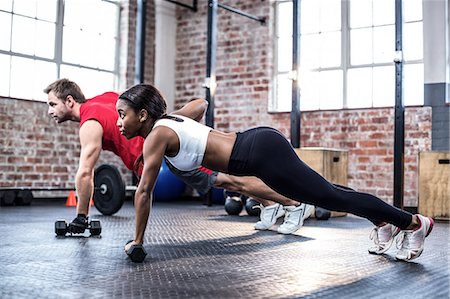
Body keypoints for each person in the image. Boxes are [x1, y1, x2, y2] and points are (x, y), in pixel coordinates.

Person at [118, 83, 434, 262]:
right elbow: (200, 103)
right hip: (256, 147)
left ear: (143, 114)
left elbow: (144, 191)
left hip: (258, 154)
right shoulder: (170, 122)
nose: (119, 122)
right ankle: (382, 219)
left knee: (329, 196)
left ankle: (413, 222)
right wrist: (181, 119)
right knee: (324, 191)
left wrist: (138, 241)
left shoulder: (157, 135)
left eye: (123, 115)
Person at [44, 79, 312, 234]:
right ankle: (271, 205)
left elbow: (85, 171)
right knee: (227, 181)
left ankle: (294, 202)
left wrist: (81, 218)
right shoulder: (105, 98)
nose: (50, 111)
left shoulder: (89, 122)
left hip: (166, 153)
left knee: (228, 181)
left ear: (69, 101)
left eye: (52, 104)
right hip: (163, 150)